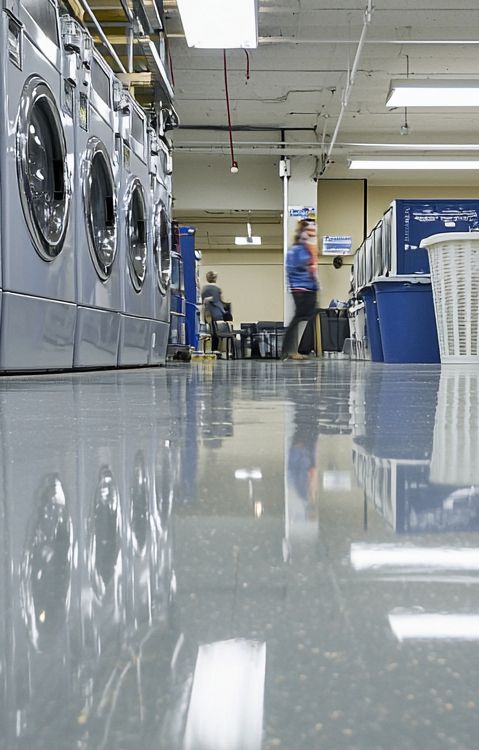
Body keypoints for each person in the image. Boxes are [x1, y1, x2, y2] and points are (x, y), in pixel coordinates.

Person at [282, 220, 319, 360]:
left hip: (309, 287)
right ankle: (290, 350)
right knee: (298, 318)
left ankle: (293, 349)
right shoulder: (296, 250)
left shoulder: (306, 249)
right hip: (300, 288)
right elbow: (292, 269)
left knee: (308, 315)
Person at [201, 271, 226, 351]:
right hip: (216, 312)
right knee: (217, 333)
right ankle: (216, 349)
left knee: (209, 332)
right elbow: (219, 301)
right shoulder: (217, 288)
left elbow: (203, 300)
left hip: (207, 312)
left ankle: (208, 350)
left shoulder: (204, 288)